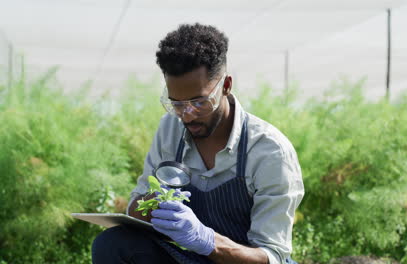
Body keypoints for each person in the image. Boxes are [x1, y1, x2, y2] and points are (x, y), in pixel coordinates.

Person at [92, 23, 304, 264]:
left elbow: (271, 256)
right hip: (194, 259)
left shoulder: (269, 151)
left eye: (199, 101)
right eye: (176, 103)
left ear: (225, 86)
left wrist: (205, 239)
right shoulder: (170, 128)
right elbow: (135, 207)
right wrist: (152, 206)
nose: (187, 115)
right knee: (113, 243)